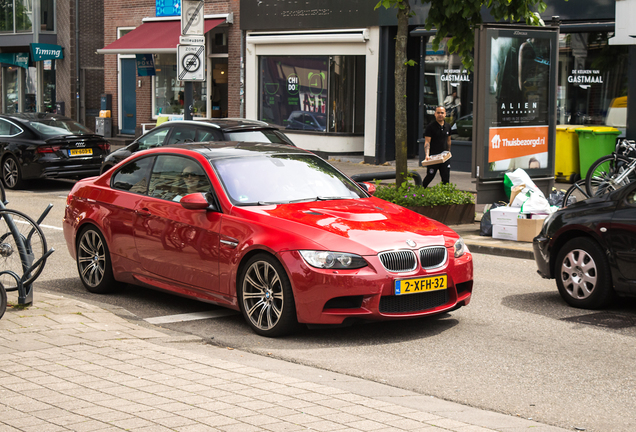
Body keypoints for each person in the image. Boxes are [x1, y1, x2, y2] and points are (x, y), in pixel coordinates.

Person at [422, 105, 452, 187]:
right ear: (435, 114)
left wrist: (448, 152)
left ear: (445, 114)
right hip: (433, 157)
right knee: (430, 176)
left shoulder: (448, 126)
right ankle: (420, 191)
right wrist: (427, 155)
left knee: (446, 178)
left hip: (444, 157)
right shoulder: (430, 127)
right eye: (438, 113)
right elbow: (427, 142)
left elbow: (449, 140)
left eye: (442, 113)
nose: (440, 115)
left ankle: (445, 196)